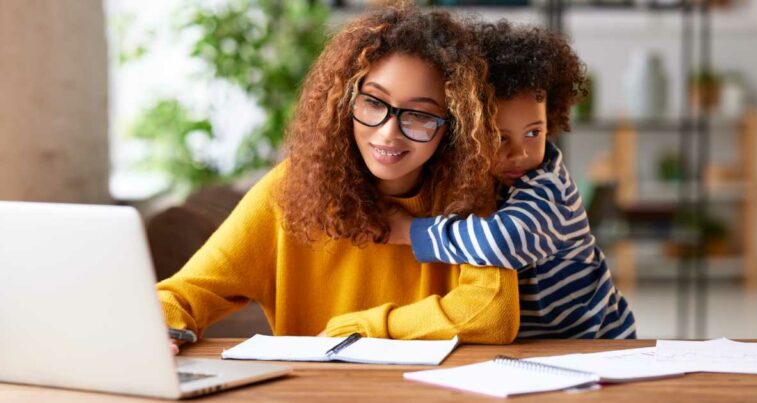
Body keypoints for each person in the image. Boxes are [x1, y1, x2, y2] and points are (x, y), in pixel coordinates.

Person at [157, 3, 520, 352]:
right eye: (374, 103)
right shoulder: (292, 186)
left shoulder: (469, 193)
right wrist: (163, 324)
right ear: (346, 102)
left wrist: (357, 329)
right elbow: (184, 293)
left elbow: (492, 314)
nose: (388, 133)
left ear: (453, 125)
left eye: (419, 115)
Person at [386, 22, 637, 339]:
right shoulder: (483, 181)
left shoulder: (549, 191)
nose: (520, 152)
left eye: (534, 132)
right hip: (534, 346)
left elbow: (501, 241)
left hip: (595, 342)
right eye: (499, 137)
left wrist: (410, 232)